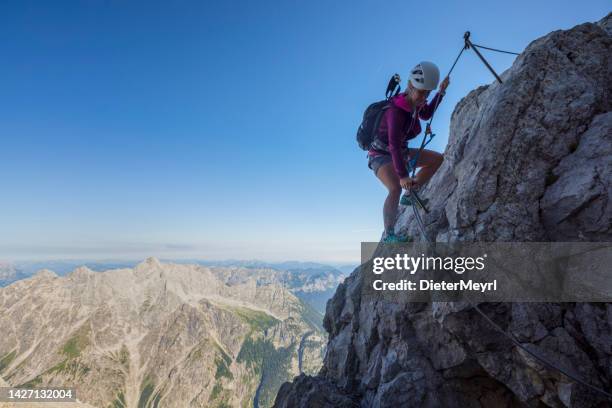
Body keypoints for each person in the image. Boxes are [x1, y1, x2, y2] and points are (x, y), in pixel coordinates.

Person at [368, 61, 449, 243]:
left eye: (427, 93)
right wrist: (403, 176)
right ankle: (389, 235)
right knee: (395, 187)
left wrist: (440, 92)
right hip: (380, 155)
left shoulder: (414, 102)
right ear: (411, 86)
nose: (424, 97)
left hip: (400, 152)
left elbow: (426, 114)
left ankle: (409, 196)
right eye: (422, 92)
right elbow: (393, 145)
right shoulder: (396, 111)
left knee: (436, 159)